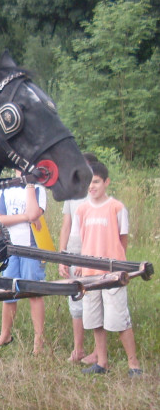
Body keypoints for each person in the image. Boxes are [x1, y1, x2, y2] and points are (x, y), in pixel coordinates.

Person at [74, 161, 142, 376]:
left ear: (106, 182)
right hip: (89, 274)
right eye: (88, 182)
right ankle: (101, 363)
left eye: (95, 181)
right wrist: (80, 264)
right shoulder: (81, 209)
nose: (91, 186)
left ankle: (134, 364)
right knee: (95, 320)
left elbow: (123, 239)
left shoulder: (117, 207)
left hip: (112, 273)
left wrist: (117, 265)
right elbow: (81, 240)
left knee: (119, 319)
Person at [0, 171, 47, 355]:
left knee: (34, 292)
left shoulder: (38, 189)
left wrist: (30, 185)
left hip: (32, 246)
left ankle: (39, 339)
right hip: (10, 247)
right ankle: (5, 334)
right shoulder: (6, 190)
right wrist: (25, 217)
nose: (22, 172)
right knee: (8, 291)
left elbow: (34, 213)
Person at [57, 152, 97, 365]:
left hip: (91, 254)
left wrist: (86, 259)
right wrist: (63, 256)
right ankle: (78, 349)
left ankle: (99, 351)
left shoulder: (95, 195)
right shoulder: (71, 195)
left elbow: (93, 230)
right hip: (72, 252)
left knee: (96, 300)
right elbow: (67, 225)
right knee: (75, 301)